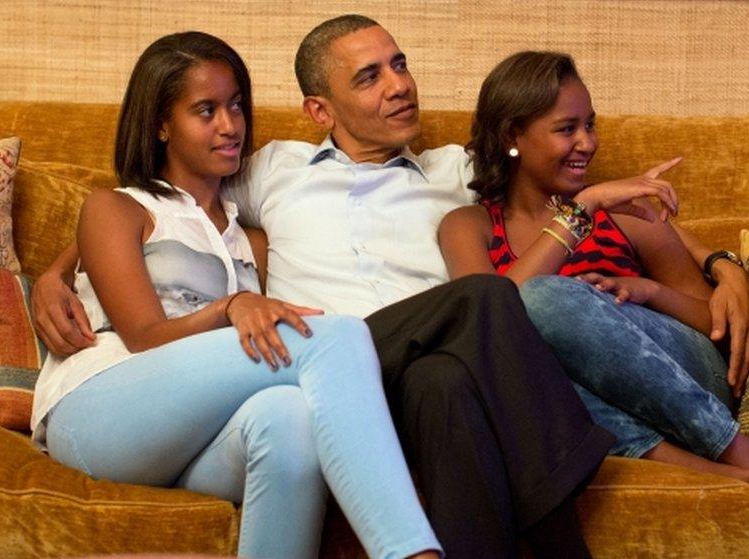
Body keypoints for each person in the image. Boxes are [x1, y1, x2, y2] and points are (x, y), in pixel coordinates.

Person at [32, 15, 749, 557]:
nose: (399, 83)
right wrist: (56, 272)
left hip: (411, 377)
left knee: (449, 377)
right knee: (483, 298)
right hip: (330, 359)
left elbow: (580, 190)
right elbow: (154, 208)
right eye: (370, 76)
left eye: (399, 64)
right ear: (321, 109)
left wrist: (720, 261)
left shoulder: (454, 172)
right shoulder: (270, 168)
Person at [30, 31, 443, 559]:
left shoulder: (249, 236)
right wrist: (228, 306)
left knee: (290, 416)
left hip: (192, 434)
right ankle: (410, 552)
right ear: (161, 124)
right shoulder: (119, 207)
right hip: (100, 410)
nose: (230, 126)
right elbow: (145, 338)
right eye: (205, 111)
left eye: (236, 106)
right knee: (332, 338)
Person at [438, 50, 749, 538]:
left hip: (686, 379)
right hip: (576, 401)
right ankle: (706, 472)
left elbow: (711, 327)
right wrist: (581, 210)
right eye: (566, 128)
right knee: (513, 362)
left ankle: (741, 450)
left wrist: (650, 291)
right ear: (512, 136)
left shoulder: (628, 214)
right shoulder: (467, 226)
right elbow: (488, 324)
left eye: (590, 125)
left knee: (548, 300)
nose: (586, 143)